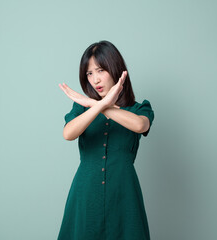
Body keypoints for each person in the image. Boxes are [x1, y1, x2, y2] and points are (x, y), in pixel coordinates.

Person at [57, 40, 154, 240]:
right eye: (89, 73)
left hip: (124, 194)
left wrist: (98, 104)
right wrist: (96, 106)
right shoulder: (81, 109)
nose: (95, 79)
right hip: (86, 193)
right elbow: (68, 133)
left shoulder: (138, 108)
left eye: (100, 70)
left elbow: (140, 125)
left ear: (115, 68)